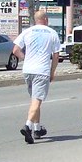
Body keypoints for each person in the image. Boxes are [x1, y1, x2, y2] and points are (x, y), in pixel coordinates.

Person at [14, 9, 61, 144]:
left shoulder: (28, 31)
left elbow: (15, 50)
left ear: (36, 20)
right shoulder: (52, 33)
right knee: (37, 99)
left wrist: (25, 59)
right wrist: (52, 71)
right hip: (42, 70)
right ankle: (28, 125)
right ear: (46, 19)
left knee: (35, 99)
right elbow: (56, 55)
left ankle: (37, 128)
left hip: (28, 70)